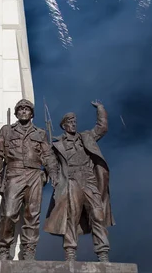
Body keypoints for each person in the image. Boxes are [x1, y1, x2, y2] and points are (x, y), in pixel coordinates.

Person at [44, 101, 115, 262]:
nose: (73, 124)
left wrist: (100, 109)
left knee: (98, 214)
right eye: (69, 122)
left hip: (89, 179)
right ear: (63, 126)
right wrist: (53, 176)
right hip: (71, 181)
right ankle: (70, 252)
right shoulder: (57, 145)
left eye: (75, 121)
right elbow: (52, 164)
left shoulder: (86, 137)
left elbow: (102, 127)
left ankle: (102, 252)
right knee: (71, 217)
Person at [0, 99, 58, 261]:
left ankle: (29, 249)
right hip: (14, 173)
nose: (23, 112)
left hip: (35, 174)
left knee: (32, 215)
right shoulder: (7, 131)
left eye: (27, 109)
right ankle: (4, 248)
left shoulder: (40, 133)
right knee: (8, 213)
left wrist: (53, 173)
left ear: (31, 113)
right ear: (16, 113)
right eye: (20, 109)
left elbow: (48, 155)